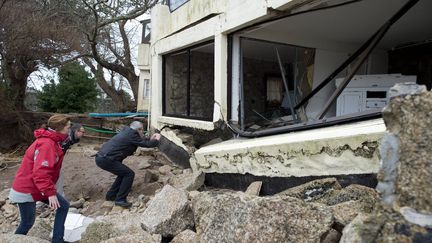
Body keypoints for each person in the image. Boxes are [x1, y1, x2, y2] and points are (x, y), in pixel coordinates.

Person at [9, 114, 71, 243]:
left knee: (63, 205)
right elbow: (41, 172)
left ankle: (57, 240)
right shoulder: (47, 144)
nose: (69, 130)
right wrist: (50, 193)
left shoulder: (52, 141)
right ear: (60, 128)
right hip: (28, 189)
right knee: (27, 223)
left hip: (38, 187)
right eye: (67, 127)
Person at [95, 121, 160, 208]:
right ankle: (120, 200)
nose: (143, 132)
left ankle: (111, 196)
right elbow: (145, 144)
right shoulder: (131, 135)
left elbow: (140, 140)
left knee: (123, 174)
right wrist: (156, 140)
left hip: (103, 158)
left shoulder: (128, 132)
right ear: (138, 129)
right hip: (106, 159)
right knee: (129, 174)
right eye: (142, 130)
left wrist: (150, 139)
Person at [55, 124, 85, 196]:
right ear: (76, 131)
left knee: (58, 176)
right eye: (82, 132)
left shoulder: (71, 139)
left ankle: (58, 197)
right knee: (59, 176)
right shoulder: (67, 138)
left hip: (57, 161)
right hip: (53, 161)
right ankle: (59, 198)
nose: (83, 134)